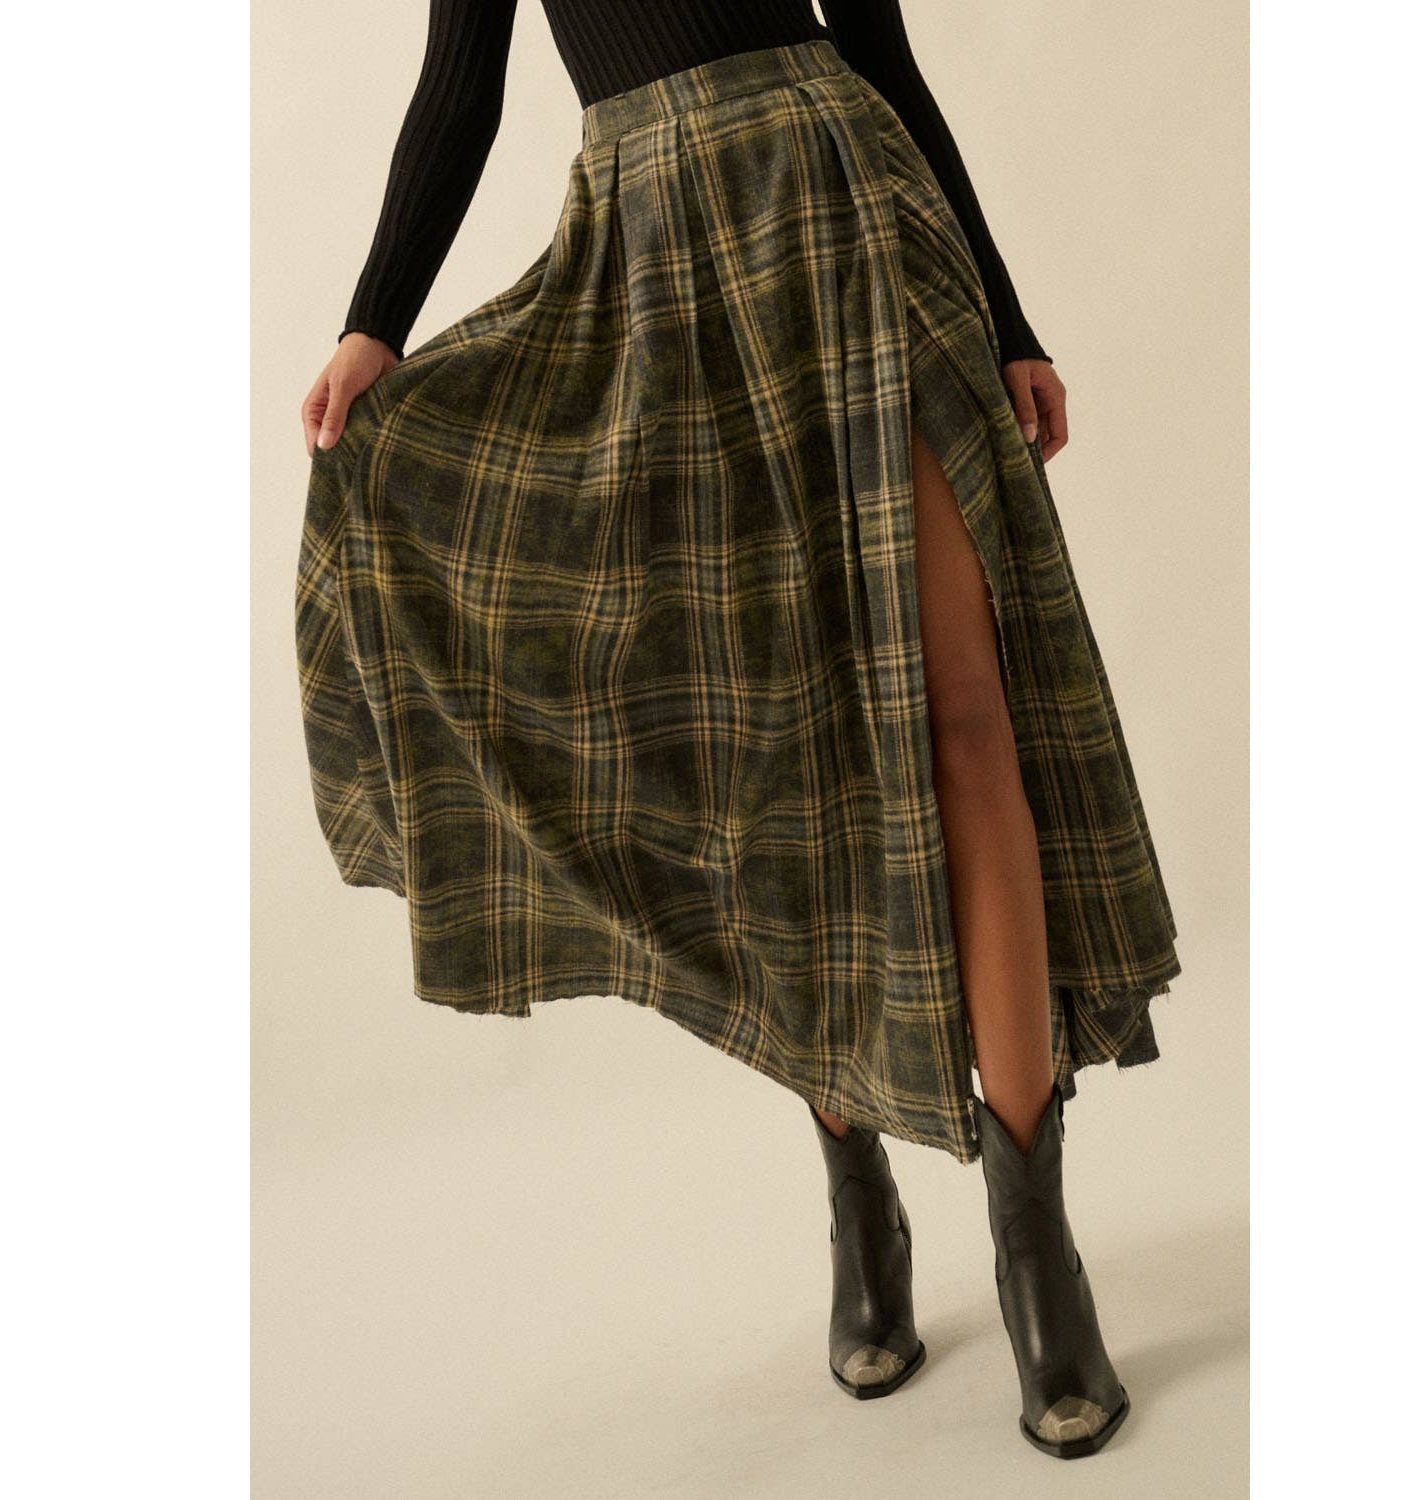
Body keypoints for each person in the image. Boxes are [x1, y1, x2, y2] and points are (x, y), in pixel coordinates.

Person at [295, 0, 1180, 1458]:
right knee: (769, 758)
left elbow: (881, 51)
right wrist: (372, 325)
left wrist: (1010, 321)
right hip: (651, 261)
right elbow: (460, 86)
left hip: (849, 207)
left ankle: (1039, 1256)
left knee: (969, 726)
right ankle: (858, 1205)